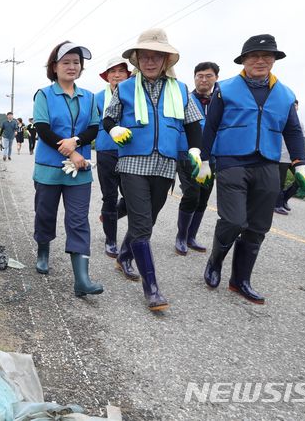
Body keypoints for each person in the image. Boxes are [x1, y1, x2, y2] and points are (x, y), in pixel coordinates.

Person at [199, 34, 305, 304]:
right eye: (254, 56)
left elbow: (294, 131)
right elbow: (211, 125)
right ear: (244, 60)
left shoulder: (285, 94)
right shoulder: (224, 88)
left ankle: (240, 280)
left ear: (274, 60)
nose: (260, 61)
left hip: (267, 164)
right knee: (234, 220)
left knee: (259, 226)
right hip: (231, 161)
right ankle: (215, 262)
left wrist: (300, 163)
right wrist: (203, 159)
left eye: (267, 56)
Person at [102, 28, 204, 311]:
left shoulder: (180, 89)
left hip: (164, 165)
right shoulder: (124, 88)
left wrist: (196, 150)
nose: (149, 61)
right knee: (142, 225)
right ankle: (152, 289)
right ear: (136, 59)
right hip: (133, 162)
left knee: (148, 220)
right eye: (144, 56)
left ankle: (124, 255)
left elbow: (193, 125)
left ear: (165, 60)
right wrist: (116, 129)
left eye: (155, 56)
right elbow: (108, 119)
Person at [32, 41, 102, 297]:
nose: (72, 67)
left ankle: (81, 279)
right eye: (66, 62)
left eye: (76, 63)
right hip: (49, 169)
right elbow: (43, 128)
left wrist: (78, 142)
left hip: (80, 171)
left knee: (78, 220)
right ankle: (43, 249)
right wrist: (71, 151)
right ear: (54, 66)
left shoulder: (90, 96)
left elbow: (94, 127)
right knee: (45, 213)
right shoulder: (44, 95)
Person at [174, 62, 219, 255]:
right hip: (187, 155)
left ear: (216, 78)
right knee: (191, 195)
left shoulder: (220, 101)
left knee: (203, 199)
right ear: (194, 78)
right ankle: (181, 236)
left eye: (208, 76)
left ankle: (192, 236)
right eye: (199, 75)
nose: (203, 79)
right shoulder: (186, 99)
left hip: (212, 158)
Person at [94, 57, 133, 269]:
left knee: (131, 196)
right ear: (107, 76)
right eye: (112, 71)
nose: (117, 75)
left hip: (130, 150)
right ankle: (111, 240)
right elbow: (90, 123)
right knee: (109, 195)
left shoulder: (134, 94)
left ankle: (110, 216)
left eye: (121, 71)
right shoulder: (98, 98)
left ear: (128, 75)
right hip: (106, 149)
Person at [274, 101, 303, 215]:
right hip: (281, 157)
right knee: (280, 182)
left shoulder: (300, 123)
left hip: (294, 159)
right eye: (292, 105)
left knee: (301, 181)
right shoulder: (279, 119)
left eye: (296, 106)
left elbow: (300, 141)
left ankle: (285, 198)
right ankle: (277, 205)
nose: (294, 107)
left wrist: (301, 158)